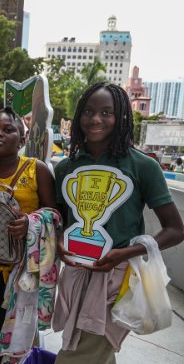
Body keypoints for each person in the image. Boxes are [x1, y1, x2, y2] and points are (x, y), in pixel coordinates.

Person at [52, 82, 184, 364]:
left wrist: (125, 254)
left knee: (76, 356)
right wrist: (60, 240)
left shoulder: (142, 166)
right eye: (88, 111)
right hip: (76, 277)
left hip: (117, 280)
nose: (95, 119)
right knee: (96, 352)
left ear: (121, 117)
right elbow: (62, 220)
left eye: (106, 112)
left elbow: (175, 230)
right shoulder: (66, 168)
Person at [0, 107, 56, 364]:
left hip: (22, 268)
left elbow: (54, 213)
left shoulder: (37, 169)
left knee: (8, 329)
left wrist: (30, 223)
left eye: (8, 130)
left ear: (23, 139)